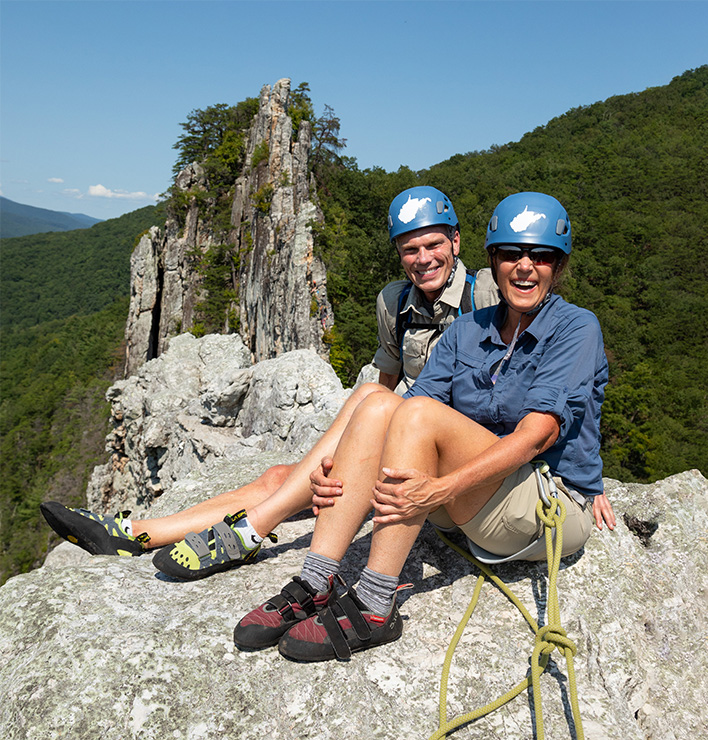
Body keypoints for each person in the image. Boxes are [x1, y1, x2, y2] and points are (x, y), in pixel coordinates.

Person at [40, 186, 536, 576]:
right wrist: (341, 458)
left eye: (433, 245)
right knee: (290, 475)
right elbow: (387, 384)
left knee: (342, 431)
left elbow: (552, 367)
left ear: (455, 242)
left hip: (461, 457)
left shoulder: (489, 292)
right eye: (410, 249)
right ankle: (137, 532)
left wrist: (580, 475)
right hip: (402, 438)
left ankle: (253, 530)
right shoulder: (394, 303)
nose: (423, 258)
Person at [230, 191, 615, 662]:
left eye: (541, 256)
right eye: (511, 254)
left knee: (412, 413)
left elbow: (539, 435)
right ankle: (316, 578)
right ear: (493, 260)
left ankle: (373, 602)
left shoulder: (576, 327)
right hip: (475, 498)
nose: (525, 266)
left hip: (541, 506)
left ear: (559, 266)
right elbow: (396, 416)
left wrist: (440, 489)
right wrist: (338, 474)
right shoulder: (466, 331)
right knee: (377, 402)